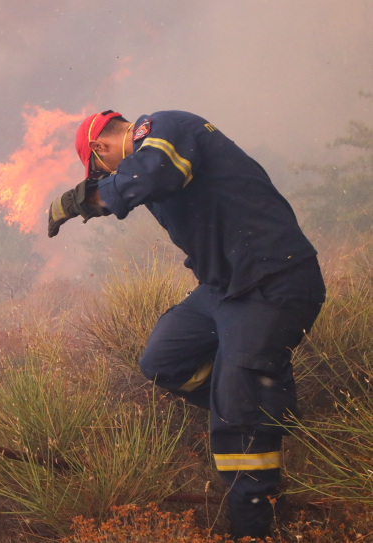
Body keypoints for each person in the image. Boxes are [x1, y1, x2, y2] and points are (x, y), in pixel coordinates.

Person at [48, 110, 325, 538]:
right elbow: (139, 183)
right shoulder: (145, 162)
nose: (106, 177)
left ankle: (255, 528)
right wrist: (97, 197)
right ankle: (265, 405)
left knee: (236, 421)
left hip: (273, 282)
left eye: (101, 171)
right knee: (164, 359)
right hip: (223, 289)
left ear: (101, 149)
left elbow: (153, 174)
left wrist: (80, 200)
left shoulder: (164, 129)